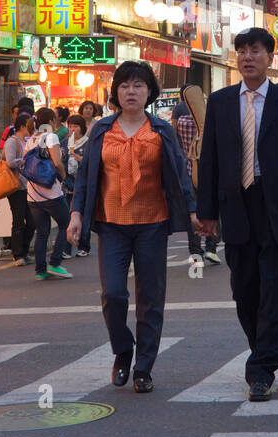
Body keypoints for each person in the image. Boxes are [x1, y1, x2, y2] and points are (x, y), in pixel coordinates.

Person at [196, 27, 278, 402]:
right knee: (244, 290)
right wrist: (207, 211)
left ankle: (261, 369)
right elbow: (209, 158)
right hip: (237, 205)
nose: (248, 56)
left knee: (275, 292)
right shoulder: (221, 101)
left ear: (269, 56)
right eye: (242, 50)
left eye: (255, 50)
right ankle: (261, 350)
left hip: (276, 205)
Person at [69, 61, 197, 393]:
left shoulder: (160, 131)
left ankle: (144, 367)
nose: (131, 91)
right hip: (111, 224)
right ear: (116, 92)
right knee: (113, 293)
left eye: (138, 85)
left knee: (150, 298)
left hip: (152, 224)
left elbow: (180, 176)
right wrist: (76, 215)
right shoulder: (101, 129)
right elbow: (85, 178)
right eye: (125, 85)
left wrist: (194, 211)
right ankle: (123, 350)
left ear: (149, 92)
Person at [25, 107, 72, 280]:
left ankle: (40, 270)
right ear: (51, 121)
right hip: (50, 192)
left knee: (42, 232)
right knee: (66, 224)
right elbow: (57, 162)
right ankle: (55, 263)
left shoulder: (32, 139)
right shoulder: (50, 136)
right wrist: (64, 176)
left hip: (33, 194)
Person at [175, 98, 220, 265]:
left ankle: (195, 252)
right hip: (209, 171)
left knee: (193, 212)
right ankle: (211, 248)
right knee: (214, 208)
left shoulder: (182, 121)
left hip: (189, 171)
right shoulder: (209, 122)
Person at [4, 113, 38, 264]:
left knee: (31, 221)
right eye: (30, 125)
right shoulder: (12, 142)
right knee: (19, 220)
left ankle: (24, 250)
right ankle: (17, 254)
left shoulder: (26, 141)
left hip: (28, 186)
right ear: (23, 126)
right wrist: (25, 160)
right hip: (16, 187)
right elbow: (10, 162)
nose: (33, 128)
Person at [64, 114, 91, 256]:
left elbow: (91, 164)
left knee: (84, 215)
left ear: (82, 127)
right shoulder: (65, 143)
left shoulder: (88, 143)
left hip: (83, 184)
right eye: (70, 126)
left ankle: (84, 246)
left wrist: (79, 159)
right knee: (69, 216)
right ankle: (67, 249)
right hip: (67, 184)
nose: (73, 129)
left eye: (76, 126)